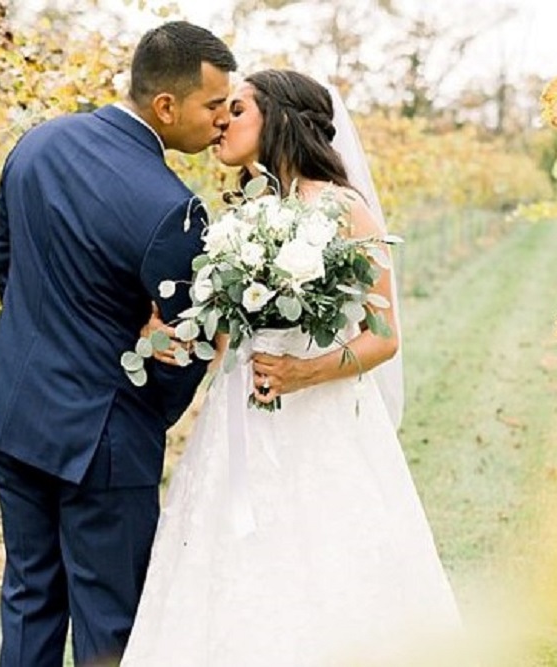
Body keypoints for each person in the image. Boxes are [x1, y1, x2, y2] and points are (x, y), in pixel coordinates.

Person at [121, 69, 462, 666]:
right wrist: (175, 333)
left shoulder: (343, 208)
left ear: (278, 118)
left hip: (319, 426)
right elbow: (231, 335)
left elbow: (383, 340)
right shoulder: (246, 216)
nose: (222, 120)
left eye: (238, 110)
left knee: (325, 569)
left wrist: (306, 373)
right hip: (238, 428)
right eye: (222, 111)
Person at [0, 22, 236, 666]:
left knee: (29, 603)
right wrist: (149, 410)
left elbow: (11, 268)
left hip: (14, 411)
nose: (221, 120)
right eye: (212, 106)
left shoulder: (34, 146)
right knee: (110, 625)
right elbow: (189, 344)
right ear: (166, 107)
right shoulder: (174, 208)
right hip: (104, 440)